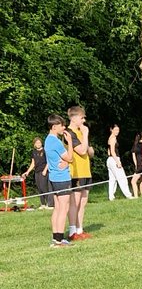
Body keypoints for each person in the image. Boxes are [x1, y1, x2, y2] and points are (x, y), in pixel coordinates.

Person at [44, 115, 74, 247]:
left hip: (53, 178)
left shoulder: (47, 140)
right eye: (62, 125)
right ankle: (59, 239)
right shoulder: (55, 141)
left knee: (57, 208)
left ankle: (55, 238)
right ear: (54, 127)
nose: (64, 127)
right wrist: (70, 142)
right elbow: (70, 158)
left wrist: (66, 163)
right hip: (61, 178)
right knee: (63, 208)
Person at [66, 105, 93, 240]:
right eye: (82, 118)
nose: (84, 121)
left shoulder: (81, 131)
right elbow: (82, 150)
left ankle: (80, 229)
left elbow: (90, 151)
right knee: (74, 203)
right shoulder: (69, 133)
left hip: (86, 171)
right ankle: (72, 231)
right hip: (75, 172)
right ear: (74, 117)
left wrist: (85, 139)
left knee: (83, 202)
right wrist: (86, 135)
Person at [23, 137, 51, 207]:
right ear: (34, 144)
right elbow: (33, 163)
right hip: (37, 171)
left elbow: (49, 161)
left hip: (44, 171)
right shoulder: (34, 152)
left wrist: (45, 170)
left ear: (41, 143)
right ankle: (43, 204)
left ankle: (49, 203)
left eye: (39, 142)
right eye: (36, 143)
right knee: (39, 188)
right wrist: (27, 172)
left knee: (44, 187)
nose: (38, 144)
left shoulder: (45, 151)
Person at [106, 125, 133, 199]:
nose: (117, 132)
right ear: (111, 129)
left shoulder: (110, 138)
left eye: (118, 130)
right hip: (114, 159)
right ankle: (128, 195)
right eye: (115, 130)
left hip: (110, 159)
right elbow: (112, 151)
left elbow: (108, 151)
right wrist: (118, 162)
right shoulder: (113, 139)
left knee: (112, 179)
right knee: (122, 178)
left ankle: (111, 196)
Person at [131, 129, 142, 197]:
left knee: (133, 181)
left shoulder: (136, 145)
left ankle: (136, 196)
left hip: (139, 165)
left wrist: (136, 165)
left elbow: (133, 155)